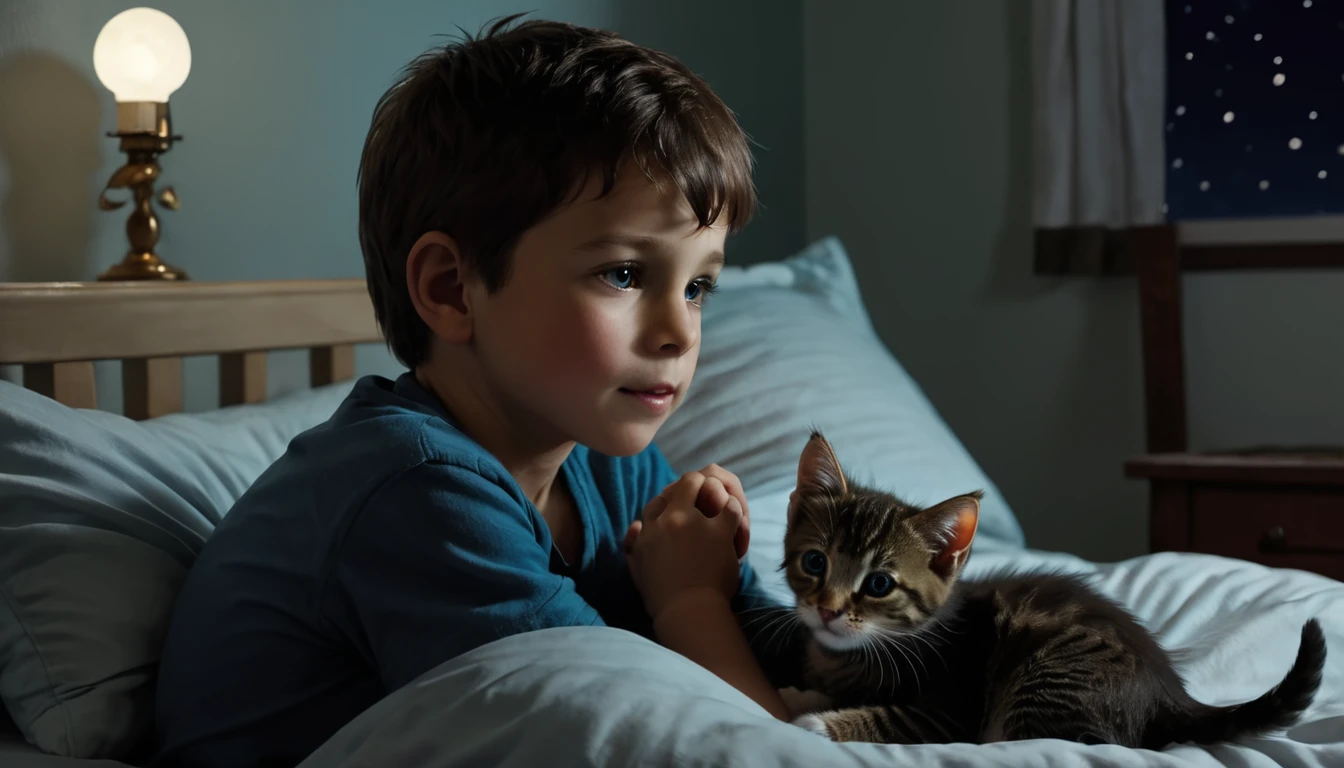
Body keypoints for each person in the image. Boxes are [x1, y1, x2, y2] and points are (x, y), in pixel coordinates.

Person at [152, 15, 789, 768]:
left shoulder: (609, 460)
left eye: (699, 285)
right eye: (623, 274)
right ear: (452, 289)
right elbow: (686, 742)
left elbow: (779, 663)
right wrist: (691, 602)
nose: (678, 333)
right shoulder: (416, 490)